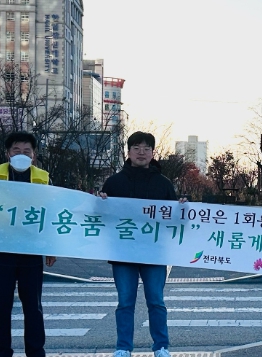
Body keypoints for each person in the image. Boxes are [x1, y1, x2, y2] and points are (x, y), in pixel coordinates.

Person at [0, 131, 56, 357]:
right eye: (16, 150)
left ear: (34, 155)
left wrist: (51, 247)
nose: (21, 155)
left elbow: (52, 214)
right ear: (8, 153)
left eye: (27, 151)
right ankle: (2, 352)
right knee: (1, 306)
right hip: (0, 249)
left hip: (31, 250)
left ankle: (36, 352)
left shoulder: (43, 177)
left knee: (33, 307)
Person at [99, 131, 186, 357]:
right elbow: (100, 217)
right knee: (125, 302)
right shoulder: (114, 182)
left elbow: (174, 219)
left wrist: (181, 206)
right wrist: (100, 203)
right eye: (136, 148)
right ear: (128, 152)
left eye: (147, 148)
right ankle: (123, 347)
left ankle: (161, 347)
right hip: (123, 252)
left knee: (156, 301)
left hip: (154, 253)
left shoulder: (163, 184)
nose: (141, 152)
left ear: (152, 153)